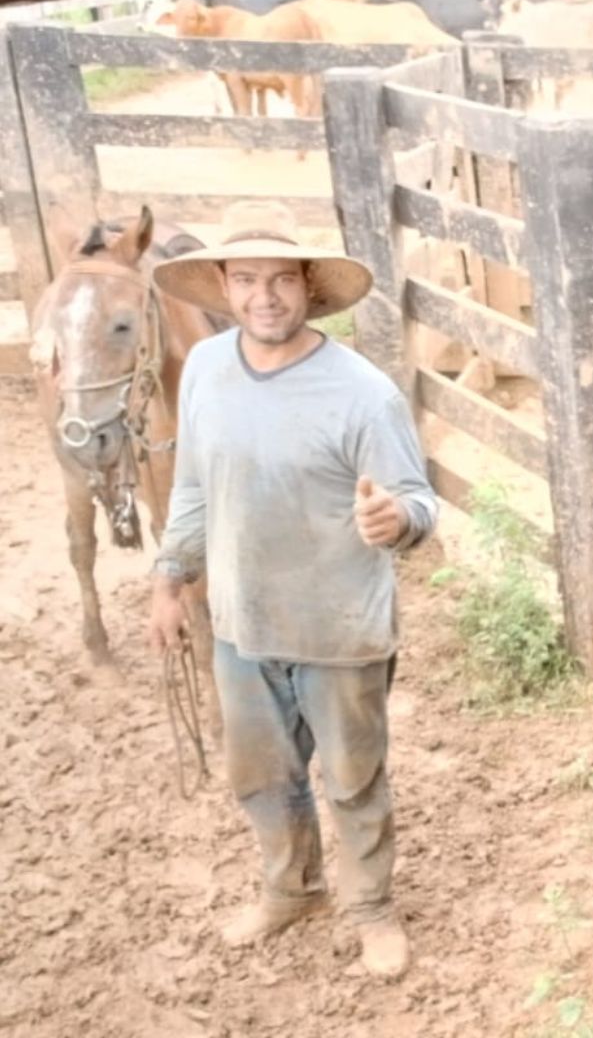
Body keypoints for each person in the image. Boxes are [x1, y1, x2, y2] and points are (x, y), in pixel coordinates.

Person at [147, 201, 438, 979]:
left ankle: (372, 907)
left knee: (352, 777)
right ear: (222, 285)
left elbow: (417, 502)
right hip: (242, 619)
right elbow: (194, 484)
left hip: (339, 625)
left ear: (309, 286)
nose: (263, 296)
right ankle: (291, 888)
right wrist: (171, 577)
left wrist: (392, 520)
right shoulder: (207, 369)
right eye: (246, 279)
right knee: (260, 775)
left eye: (282, 279)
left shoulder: (362, 393)